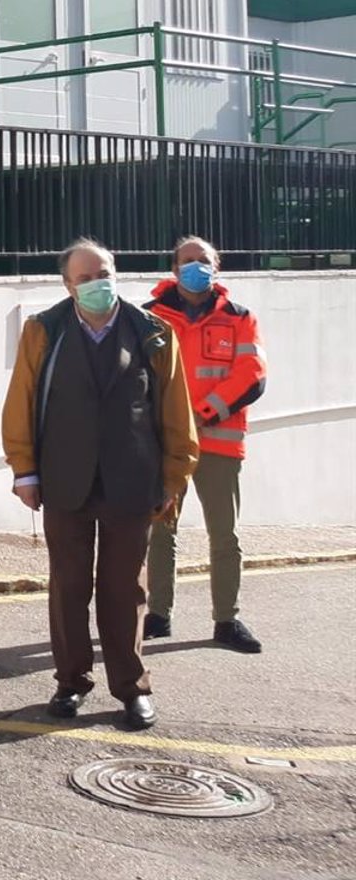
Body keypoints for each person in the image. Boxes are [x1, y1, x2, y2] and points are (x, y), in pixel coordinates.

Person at [1, 239, 200, 731]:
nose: (97, 284)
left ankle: (131, 688)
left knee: (124, 589)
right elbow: (21, 403)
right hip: (64, 481)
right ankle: (70, 681)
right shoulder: (43, 331)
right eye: (86, 277)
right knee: (69, 586)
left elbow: (177, 414)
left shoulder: (153, 332)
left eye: (104, 272)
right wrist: (24, 470)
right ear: (68, 284)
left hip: (133, 481)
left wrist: (173, 479)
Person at [142, 236, 268, 653]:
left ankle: (226, 620)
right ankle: (158, 615)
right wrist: (175, 421)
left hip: (219, 443)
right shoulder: (150, 317)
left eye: (203, 260)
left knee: (224, 535)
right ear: (174, 270)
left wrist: (202, 413)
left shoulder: (239, 317)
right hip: (166, 443)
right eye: (187, 261)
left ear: (218, 266)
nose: (196, 266)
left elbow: (251, 375)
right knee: (161, 531)